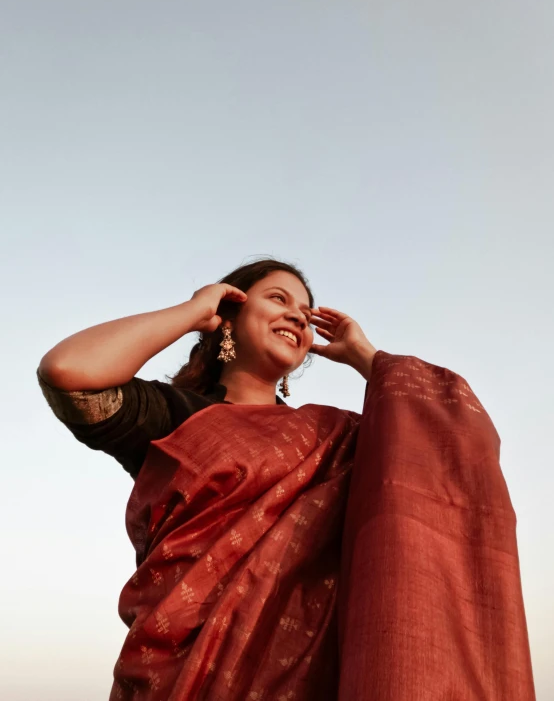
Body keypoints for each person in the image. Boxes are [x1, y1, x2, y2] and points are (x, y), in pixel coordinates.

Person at [38, 258, 536, 700]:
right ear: (229, 315)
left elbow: (450, 445)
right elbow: (69, 370)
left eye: (305, 309)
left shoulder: (337, 440)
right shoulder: (175, 416)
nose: (298, 315)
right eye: (278, 298)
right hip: (178, 674)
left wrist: (367, 357)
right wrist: (194, 311)